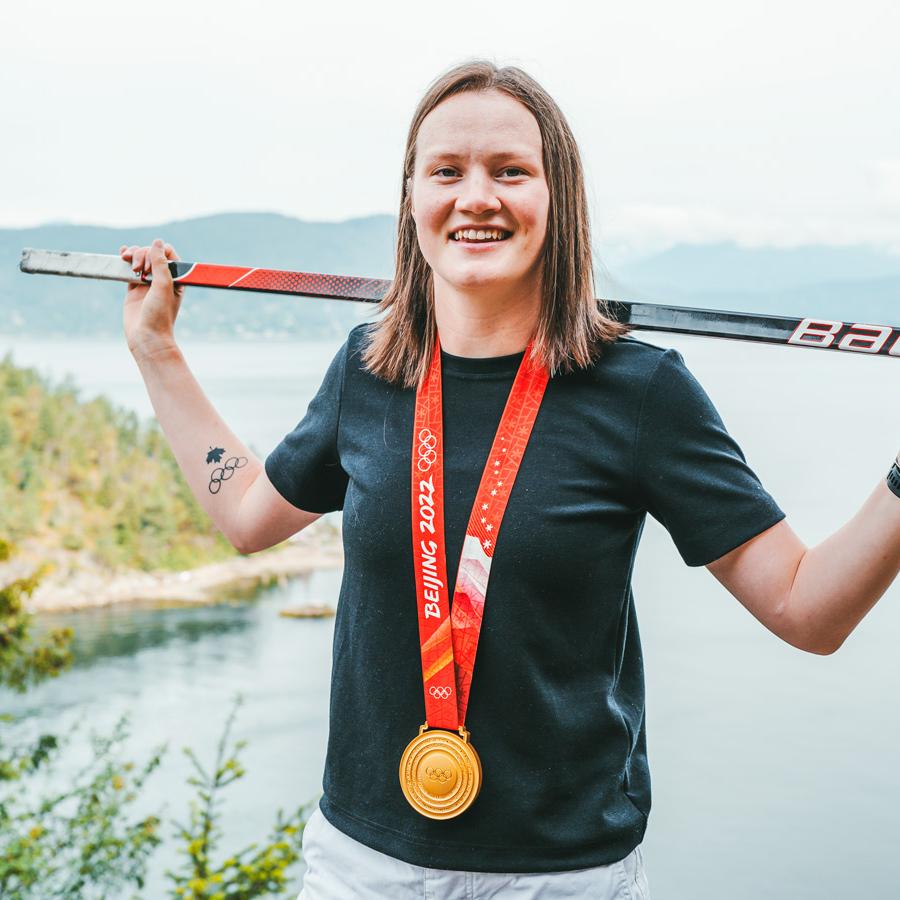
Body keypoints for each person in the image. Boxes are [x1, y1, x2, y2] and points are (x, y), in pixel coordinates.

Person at [120, 60, 900, 900]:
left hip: (558, 879)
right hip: (359, 866)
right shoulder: (369, 370)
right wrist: (156, 351)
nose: (477, 196)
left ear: (555, 196)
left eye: (510, 170)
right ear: (412, 199)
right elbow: (246, 514)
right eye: (446, 171)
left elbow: (807, 608)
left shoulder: (640, 392)